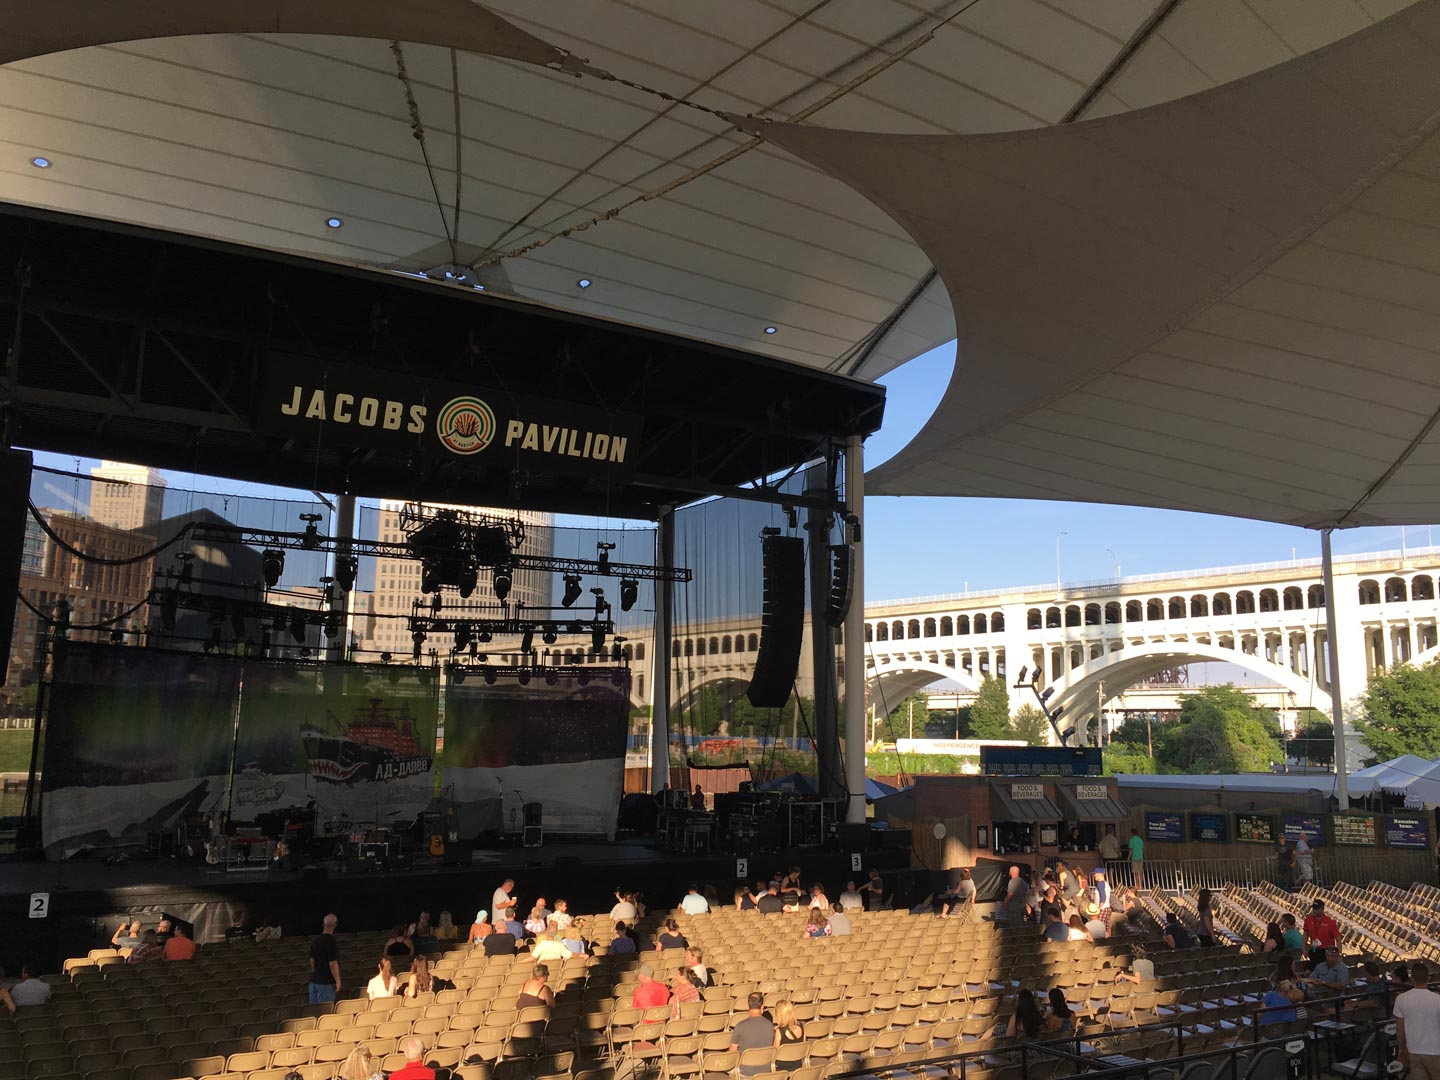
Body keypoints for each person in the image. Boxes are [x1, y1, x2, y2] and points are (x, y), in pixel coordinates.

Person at [1395, 960, 1440, 1080]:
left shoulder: (1401, 999)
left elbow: (1400, 1029)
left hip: (1414, 1050)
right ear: (1428, 978)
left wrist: (1401, 1050)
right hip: (1436, 1050)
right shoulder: (1437, 999)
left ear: (1412, 979)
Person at [731, 991, 776, 1075]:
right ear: (762, 1007)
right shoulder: (770, 1025)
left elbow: (732, 1052)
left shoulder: (740, 1026)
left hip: (744, 1071)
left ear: (748, 1006)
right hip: (765, 1069)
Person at [308, 913, 341, 1004]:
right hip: (326, 982)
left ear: (323, 924)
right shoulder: (331, 941)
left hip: (314, 980)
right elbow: (332, 963)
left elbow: (312, 960)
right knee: (324, 1013)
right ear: (335, 925)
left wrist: (315, 972)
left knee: (313, 1013)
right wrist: (338, 981)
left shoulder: (315, 940)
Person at [1303, 900, 1340, 964]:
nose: (1314, 910)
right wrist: (1304, 948)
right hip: (1314, 949)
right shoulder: (1308, 920)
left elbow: (1338, 939)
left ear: (1322, 909)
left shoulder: (1330, 922)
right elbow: (1306, 934)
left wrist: (1339, 954)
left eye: (1316, 908)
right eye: (1313, 908)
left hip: (1327, 951)